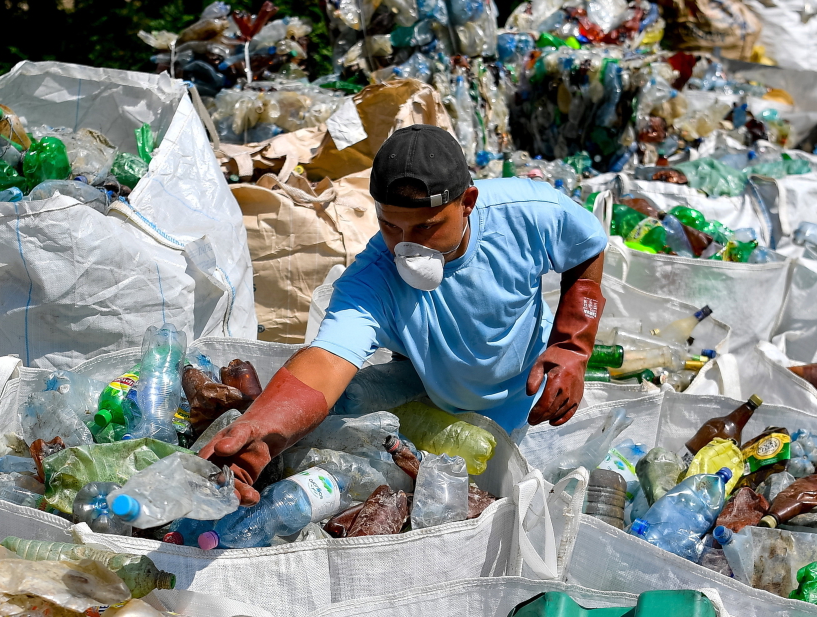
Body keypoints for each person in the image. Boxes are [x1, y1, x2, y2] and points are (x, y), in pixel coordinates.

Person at [201, 123, 608, 503]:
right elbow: (325, 362)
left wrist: (572, 347)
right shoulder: (373, 279)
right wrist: (263, 430)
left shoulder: (525, 213)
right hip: (448, 420)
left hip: (537, 401)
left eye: (426, 228)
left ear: (468, 202)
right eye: (391, 227)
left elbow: (586, 247)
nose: (406, 246)